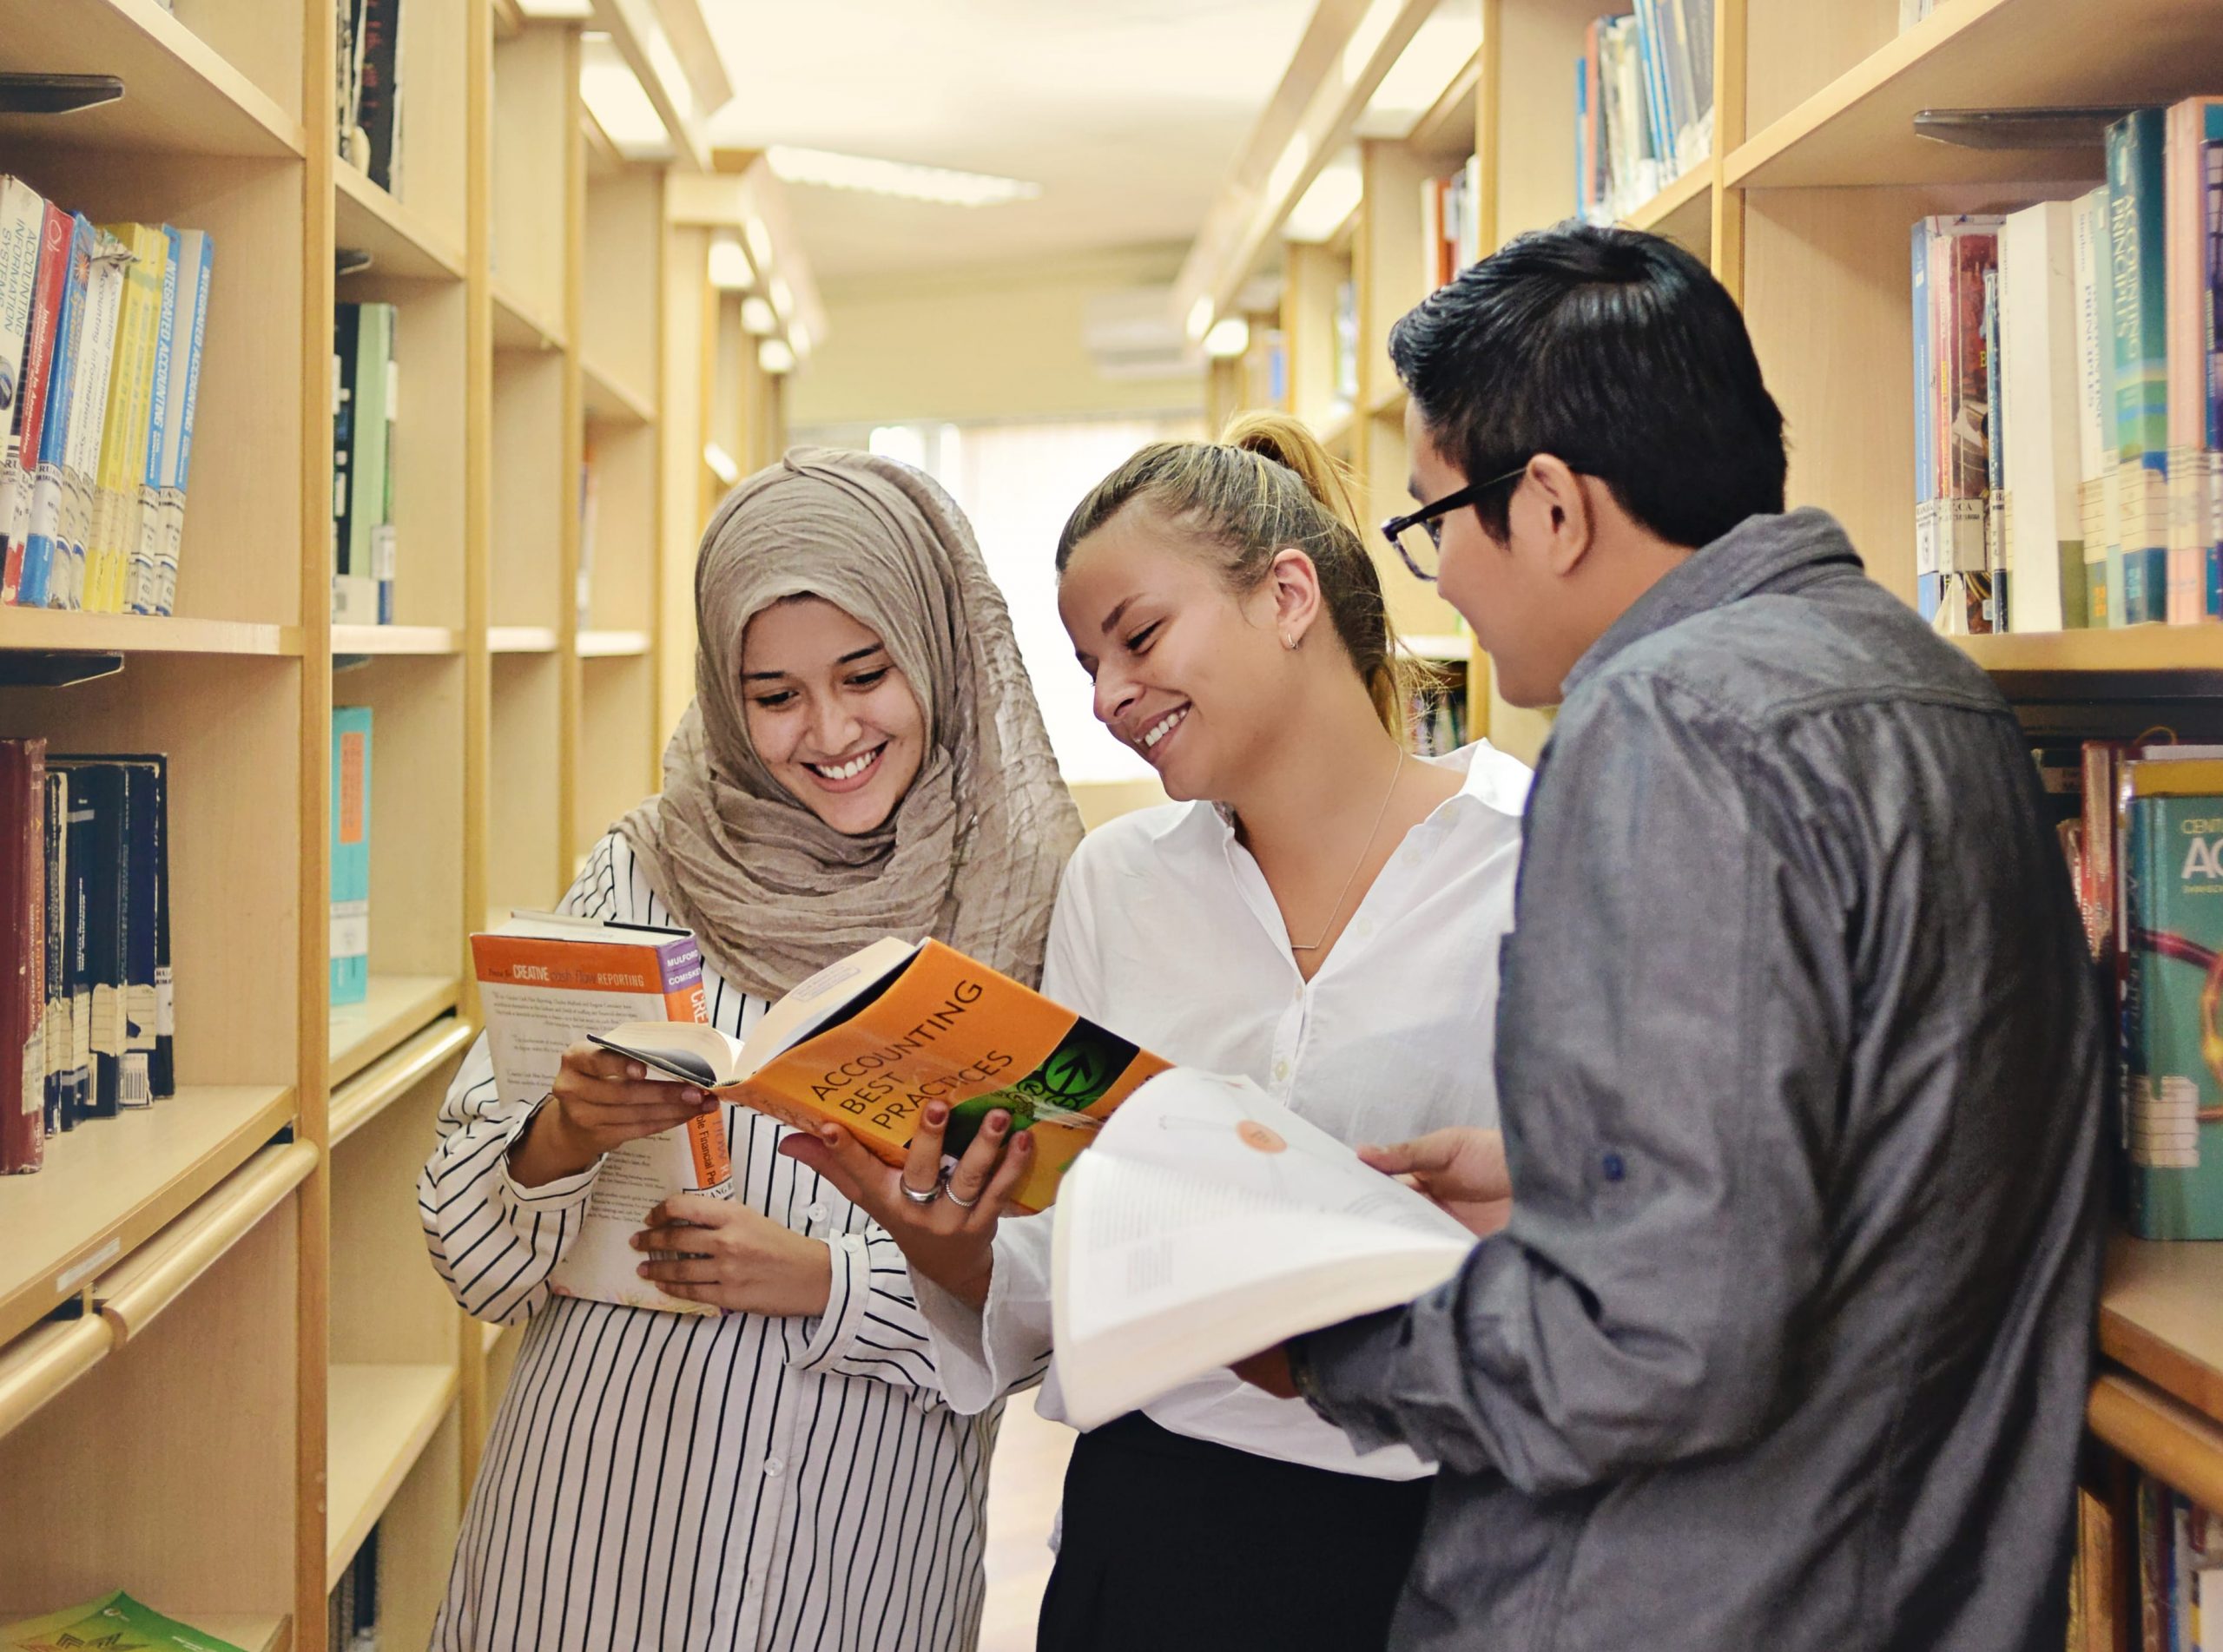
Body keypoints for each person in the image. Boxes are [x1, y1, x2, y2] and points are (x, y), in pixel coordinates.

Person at [1221, 224, 2106, 1650]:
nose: (1438, 573)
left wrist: (1323, 1341)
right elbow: (1887, 1151)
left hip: (1671, 1597)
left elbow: (1651, 1347)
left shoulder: (1666, 728)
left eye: (1437, 516)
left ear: (1554, 509)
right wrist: (1568, 1173)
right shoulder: (1927, 684)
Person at [783, 413, 1531, 1651]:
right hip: (1166, 1525)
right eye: (1087, 664)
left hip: (1463, 1525)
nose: (1111, 696)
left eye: (1139, 637)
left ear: (1289, 594)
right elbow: (1057, 1267)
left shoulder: (1539, 853)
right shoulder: (1117, 884)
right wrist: (952, 1248)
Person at [417, 449, 1080, 1652]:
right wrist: (560, 1136)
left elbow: (1059, 1294)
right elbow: (470, 1262)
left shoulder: (1033, 915)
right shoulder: (642, 875)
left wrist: (827, 1282)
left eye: (866, 675)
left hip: (861, 1553)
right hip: (586, 1547)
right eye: (773, 695)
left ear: (933, 650)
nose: (827, 732)